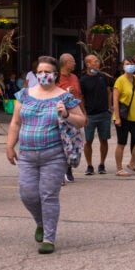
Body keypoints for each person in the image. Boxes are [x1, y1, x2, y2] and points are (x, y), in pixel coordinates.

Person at [6, 56, 86, 253]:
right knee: (28, 194)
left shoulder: (64, 97)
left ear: (55, 74)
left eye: (47, 72)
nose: (43, 75)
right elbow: (16, 122)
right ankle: (40, 222)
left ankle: (49, 238)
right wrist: (10, 146)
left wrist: (67, 114)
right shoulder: (24, 95)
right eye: (40, 72)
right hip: (26, 154)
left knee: (48, 195)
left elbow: (82, 120)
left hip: (53, 154)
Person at [79, 54, 112, 175]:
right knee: (88, 141)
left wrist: (109, 107)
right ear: (88, 64)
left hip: (104, 114)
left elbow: (109, 92)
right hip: (90, 115)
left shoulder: (103, 77)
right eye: (95, 61)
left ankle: (102, 164)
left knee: (104, 140)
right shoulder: (83, 80)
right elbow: (81, 97)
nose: (98, 63)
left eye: (98, 61)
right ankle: (89, 165)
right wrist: (84, 113)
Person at [113, 57, 135, 176]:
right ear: (123, 66)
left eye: (132, 64)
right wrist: (117, 117)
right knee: (122, 142)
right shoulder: (120, 81)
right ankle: (119, 168)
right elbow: (115, 100)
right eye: (127, 64)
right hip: (122, 115)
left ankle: (132, 163)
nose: (130, 66)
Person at [56, 53, 82, 182]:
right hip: (60, 115)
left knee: (74, 142)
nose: (75, 64)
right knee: (63, 143)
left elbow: (80, 96)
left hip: (74, 115)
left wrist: (83, 114)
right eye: (72, 61)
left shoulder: (75, 77)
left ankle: (69, 167)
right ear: (65, 63)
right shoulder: (56, 78)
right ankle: (64, 170)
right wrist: (65, 92)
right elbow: (52, 95)